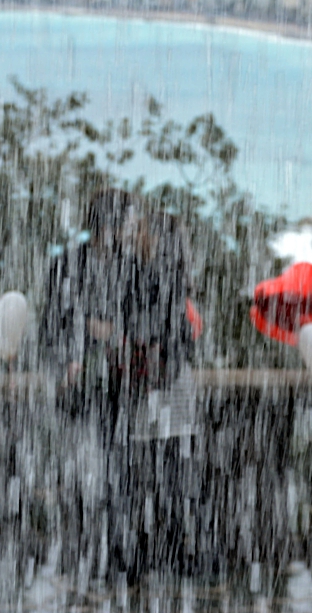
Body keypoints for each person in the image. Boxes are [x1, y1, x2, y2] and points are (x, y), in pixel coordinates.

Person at [41, 190, 199, 582]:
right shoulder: (67, 264)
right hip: (79, 387)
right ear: (105, 226)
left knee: (123, 472)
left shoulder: (133, 267)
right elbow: (52, 321)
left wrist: (121, 335)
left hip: (124, 385)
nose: (130, 232)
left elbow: (157, 318)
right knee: (85, 473)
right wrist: (71, 355)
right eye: (125, 224)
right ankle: (91, 557)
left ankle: (123, 558)